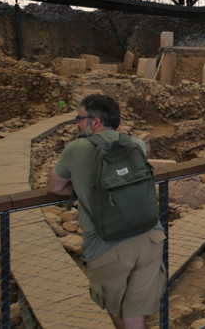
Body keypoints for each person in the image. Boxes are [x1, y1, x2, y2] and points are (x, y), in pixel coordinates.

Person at [46, 94, 166, 329]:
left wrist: (84, 188)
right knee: (135, 314)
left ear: (96, 122)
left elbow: (54, 186)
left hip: (108, 245)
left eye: (79, 119)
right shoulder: (137, 144)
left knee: (118, 311)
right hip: (149, 238)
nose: (77, 124)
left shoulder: (76, 149)